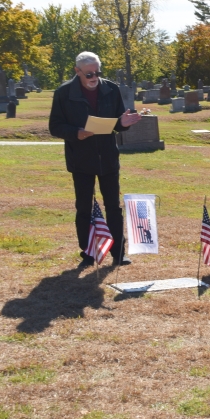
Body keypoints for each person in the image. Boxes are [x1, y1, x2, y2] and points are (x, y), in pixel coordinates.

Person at [49, 52, 141, 268]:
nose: (94, 77)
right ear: (77, 71)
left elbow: (117, 122)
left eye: (97, 72)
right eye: (89, 73)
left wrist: (124, 122)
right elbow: (55, 126)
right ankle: (88, 252)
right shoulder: (63, 93)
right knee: (84, 207)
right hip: (80, 158)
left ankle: (118, 253)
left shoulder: (111, 89)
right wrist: (76, 133)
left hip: (108, 157)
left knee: (113, 207)